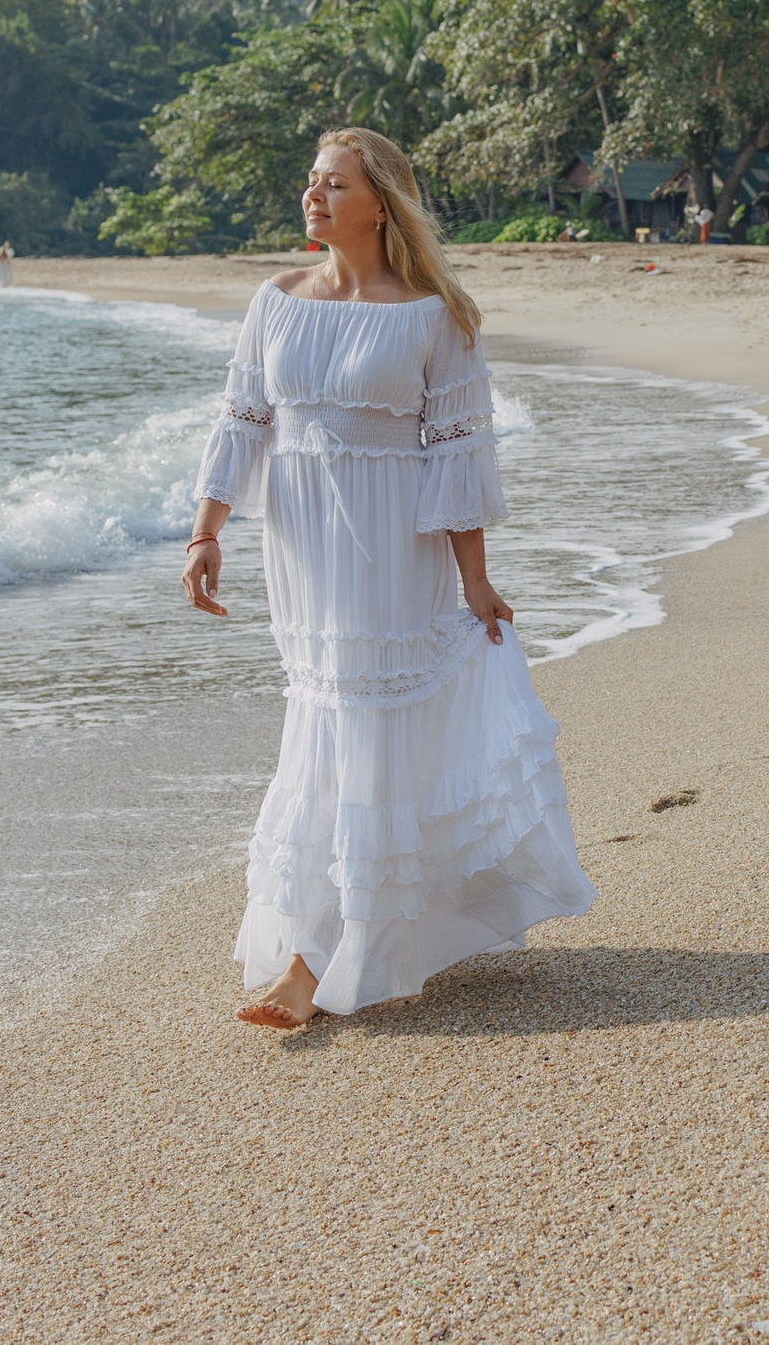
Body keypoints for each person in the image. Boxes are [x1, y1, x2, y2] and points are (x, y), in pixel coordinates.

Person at [181, 127, 595, 1029]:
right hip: (304, 552)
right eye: (311, 180)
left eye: (334, 183)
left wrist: (475, 580)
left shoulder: (433, 313)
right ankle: (329, 941)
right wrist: (204, 532)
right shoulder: (275, 301)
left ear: (382, 201)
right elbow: (243, 420)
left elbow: (458, 455)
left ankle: (327, 955)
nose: (314, 195)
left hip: (390, 547)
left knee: (369, 722)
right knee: (325, 716)